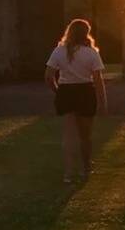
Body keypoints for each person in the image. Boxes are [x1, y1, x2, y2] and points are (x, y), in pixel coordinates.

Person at [44, 19, 108, 184]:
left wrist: (58, 91)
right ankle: (86, 169)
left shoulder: (59, 51)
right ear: (86, 33)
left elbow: (48, 76)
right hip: (85, 91)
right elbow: (98, 80)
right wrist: (102, 102)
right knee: (85, 135)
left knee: (69, 134)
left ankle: (68, 172)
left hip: (66, 91)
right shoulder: (91, 53)